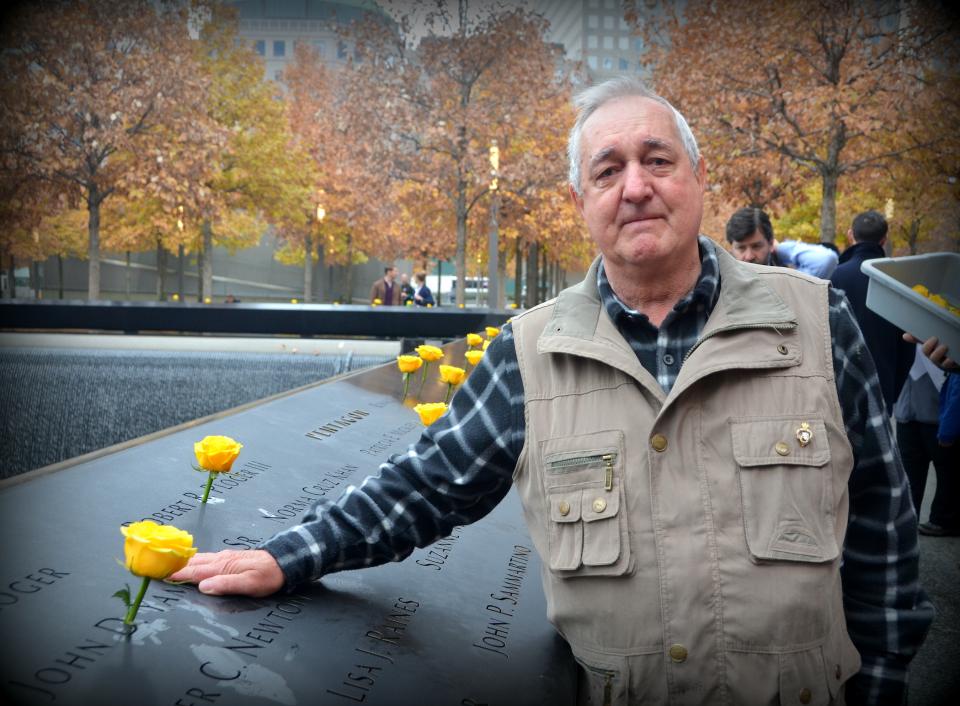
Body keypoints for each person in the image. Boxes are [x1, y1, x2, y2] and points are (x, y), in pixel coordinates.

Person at [172, 78, 932, 705]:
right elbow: (428, 485)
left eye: (657, 160)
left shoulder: (815, 321)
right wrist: (290, 556)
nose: (634, 187)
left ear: (698, 179)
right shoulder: (526, 353)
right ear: (582, 203)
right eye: (607, 171)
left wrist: (885, 680)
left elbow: (881, 521)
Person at [830, 210, 913, 413]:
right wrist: (892, 389)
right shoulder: (898, 278)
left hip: (845, 383)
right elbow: (907, 343)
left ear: (851, 234)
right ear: (884, 239)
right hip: (884, 381)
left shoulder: (839, 274)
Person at [894, 345, 960, 535]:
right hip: (907, 415)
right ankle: (906, 517)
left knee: (947, 470)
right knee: (909, 471)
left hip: (937, 418)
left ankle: (943, 519)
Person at [726, 206, 840, 278]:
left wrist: (781, 249)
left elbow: (826, 259)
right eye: (741, 248)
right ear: (731, 247)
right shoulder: (721, 282)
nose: (749, 256)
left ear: (770, 243)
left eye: (756, 246)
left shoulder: (788, 282)